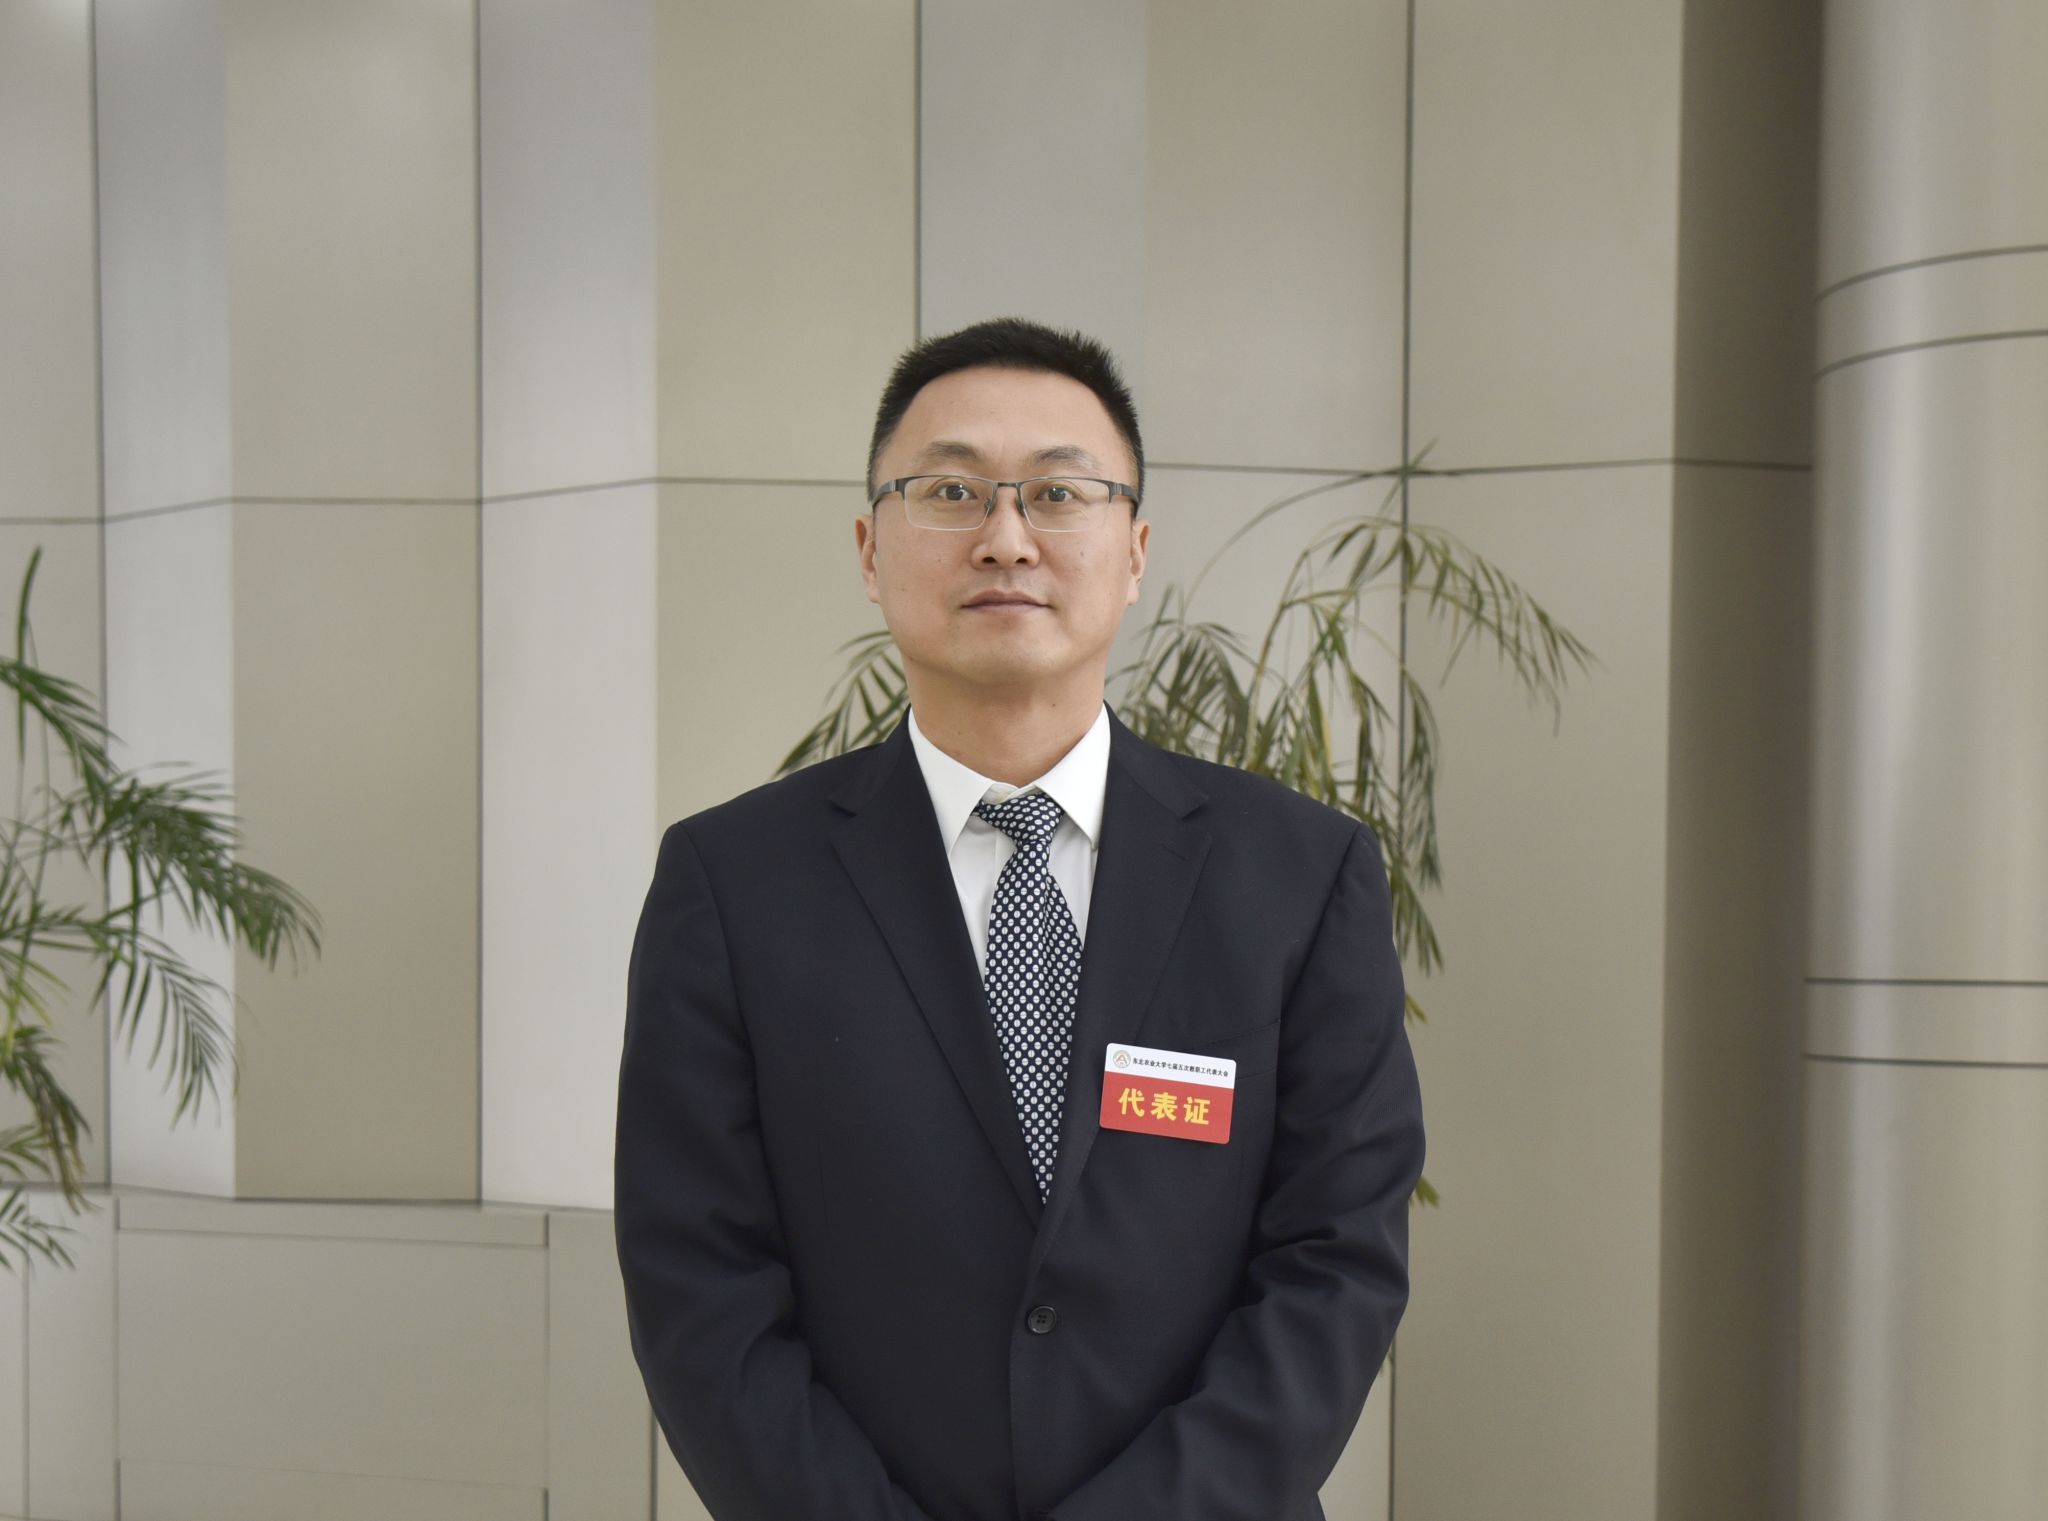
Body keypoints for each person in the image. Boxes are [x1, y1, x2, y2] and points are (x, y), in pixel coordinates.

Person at [613, 317, 1425, 1521]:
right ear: (869, 549)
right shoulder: (731, 884)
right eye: (950, 492)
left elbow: (1334, 1264)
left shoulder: (1300, 877)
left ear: (1133, 550)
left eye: (1057, 492)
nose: (1005, 537)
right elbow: (700, 1289)